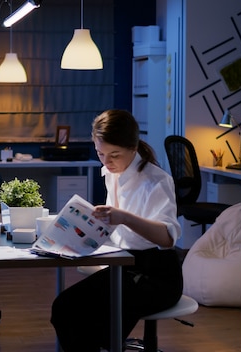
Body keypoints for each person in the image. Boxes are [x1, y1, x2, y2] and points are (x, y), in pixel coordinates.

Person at [50, 109, 183, 351]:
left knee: (95, 322)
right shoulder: (112, 172)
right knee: (64, 308)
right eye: (100, 153)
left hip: (156, 273)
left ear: (133, 148)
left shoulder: (157, 181)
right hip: (124, 265)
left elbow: (166, 239)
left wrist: (123, 218)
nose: (106, 161)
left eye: (114, 155)